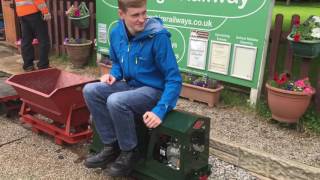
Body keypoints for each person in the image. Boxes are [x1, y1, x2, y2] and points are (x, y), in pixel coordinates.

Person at [83, 0, 182, 177]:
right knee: (91, 90)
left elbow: (174, 79)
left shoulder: (158, 37)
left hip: (153, 91)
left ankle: (130, 152)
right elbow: (117, 63)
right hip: (130, 86)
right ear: (121, 14)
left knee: (116, 101)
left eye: (144, 13)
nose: (142, 19)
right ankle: (110, 145)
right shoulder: (116, 33)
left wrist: (160, 110)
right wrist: (113, 74)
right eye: (135, 15)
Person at [15, 0, 51, 71]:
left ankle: (28, 65)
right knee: (43, 40)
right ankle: (43, 65)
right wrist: (45, 12)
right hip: (34, 13)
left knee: (26, 40)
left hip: (22, 14)